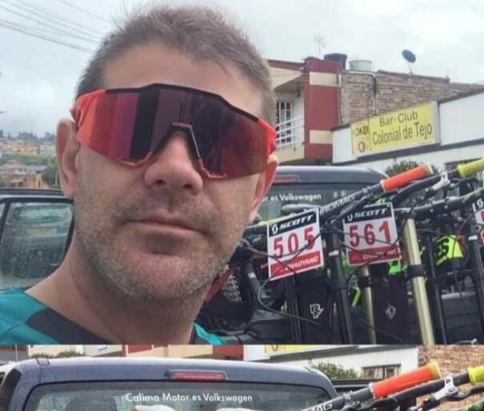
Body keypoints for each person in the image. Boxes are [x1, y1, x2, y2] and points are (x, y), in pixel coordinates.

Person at [0, 5, 279, 344]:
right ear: (71, 160)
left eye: (223, 142)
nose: (176, 169)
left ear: (257, 192)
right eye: (134, 127)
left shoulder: (239, 368)